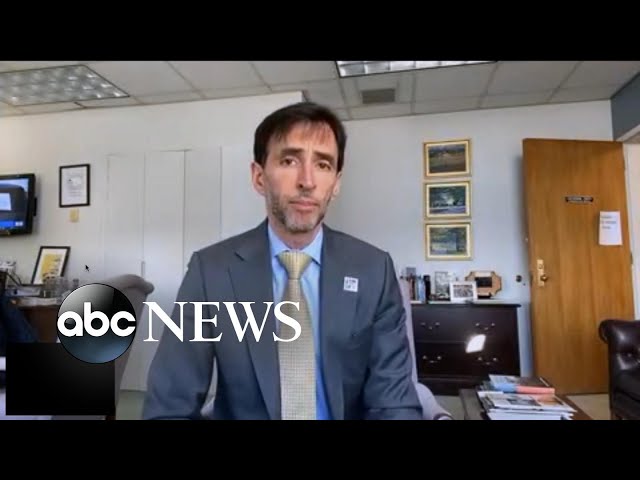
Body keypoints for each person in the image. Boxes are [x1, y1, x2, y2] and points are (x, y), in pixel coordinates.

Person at [143, 101, 422, 420]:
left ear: (336, 183)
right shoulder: (211, 271)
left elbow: (394, 404)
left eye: (323, 165)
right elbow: (169, 405)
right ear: (259, 177)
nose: (307, 181)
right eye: (290, 161)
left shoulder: (373, 270)